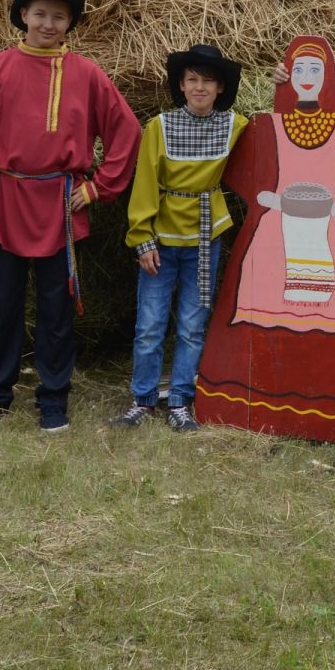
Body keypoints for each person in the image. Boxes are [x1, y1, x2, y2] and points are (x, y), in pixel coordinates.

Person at [193, 35, 335, 446]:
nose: (308, 77)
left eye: (316, 69)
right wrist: (268, 200)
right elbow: (235, 171)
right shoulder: (265, 125)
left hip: (334, 229)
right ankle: (257, 397)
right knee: (261, 277)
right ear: (289, 75)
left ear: (329, 76)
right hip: (277, 228)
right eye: (299, 69)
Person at [0, 0, 141, 432]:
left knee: (56, 312)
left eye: (59, 16)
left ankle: (53, 400)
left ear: (69, 22)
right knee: (3, 308)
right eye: (40, 14)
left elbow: (127, 131)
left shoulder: (87, 74)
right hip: (6, 203)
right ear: (23, 16)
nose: (49, 23)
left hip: (60, 206)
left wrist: (99, 187)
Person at [115, 44, 247, 431]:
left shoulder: (235, 126)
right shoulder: (160, 127)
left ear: (220, 88)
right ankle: (142, 398)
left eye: (208, 81)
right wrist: (143, 238)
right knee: (151, 323)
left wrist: (282, 85)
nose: (200, 87)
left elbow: (275, 132)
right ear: (182, 86)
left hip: (206, 238)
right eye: (192, 80)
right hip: (162, 239)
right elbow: (144, 185)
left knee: (192, 322)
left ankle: (181, 400)